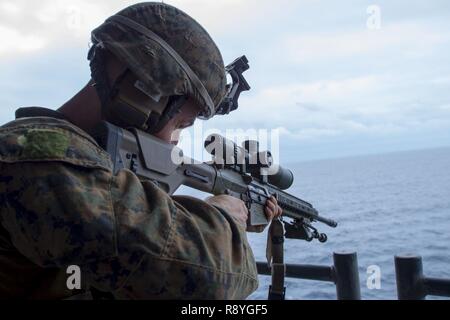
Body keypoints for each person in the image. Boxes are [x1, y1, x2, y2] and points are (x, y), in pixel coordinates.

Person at [0, 2, 282, 299]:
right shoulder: (38, 157)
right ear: (143, 95)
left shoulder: (64, 157)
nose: (176, 141)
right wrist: (225, 220)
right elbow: (207, 282)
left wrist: (204, 216)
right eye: (181, 124)